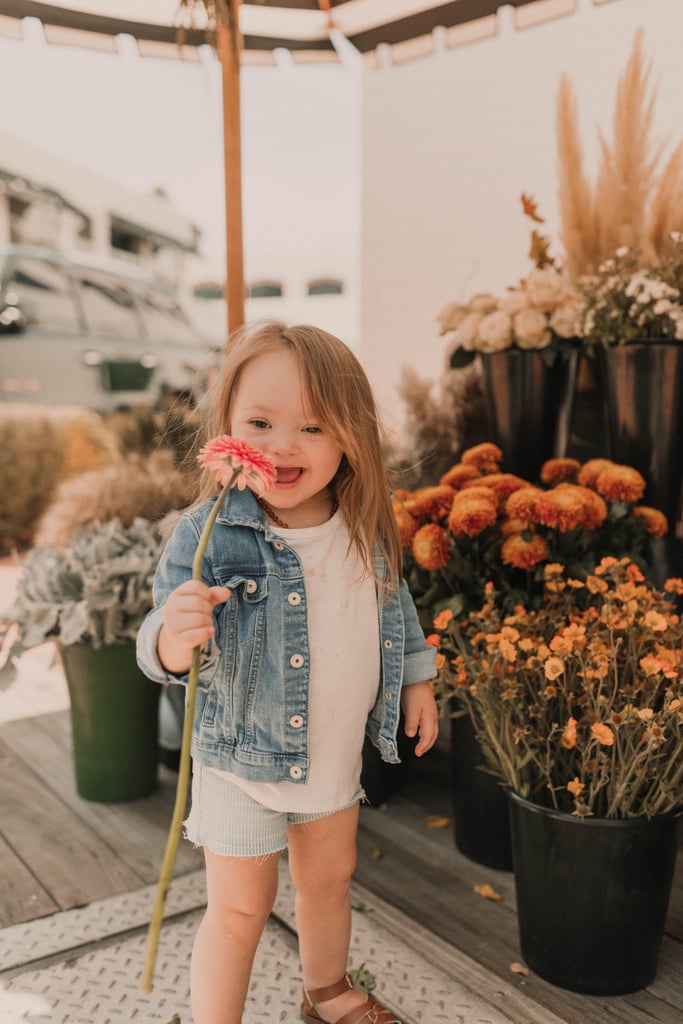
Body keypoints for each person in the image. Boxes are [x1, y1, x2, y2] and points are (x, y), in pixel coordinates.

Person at [137, 318, 439, 1024]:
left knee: (329, 883)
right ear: (228, 430)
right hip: (241, 766)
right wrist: (172, 639)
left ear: (350, 437)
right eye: (261, 423)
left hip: (331, 760)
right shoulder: (209, 532)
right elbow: (157, 638)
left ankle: (325, 990)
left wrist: (417, 679)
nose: (281, 445)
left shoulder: (362, 526)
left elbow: (395, 609)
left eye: (312, 427)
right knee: (240, 909)